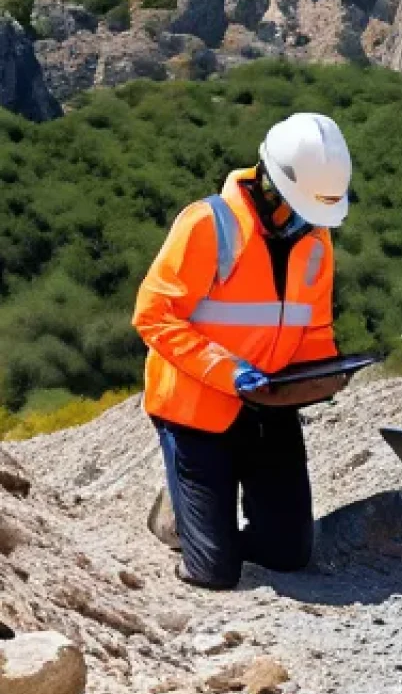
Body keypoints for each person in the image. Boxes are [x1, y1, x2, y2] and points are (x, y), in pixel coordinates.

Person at [133, 112, 352, 590]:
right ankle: (182, 520)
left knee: (288, 554)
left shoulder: (316, 239)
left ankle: (206, 524)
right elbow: (154, 316)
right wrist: (226, 370)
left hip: (268, 404)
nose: (309, 222)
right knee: (212, 573)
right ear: (271, 182)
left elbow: (313, 327)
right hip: (195, 408)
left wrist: (324, 373)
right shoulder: (207, 225)